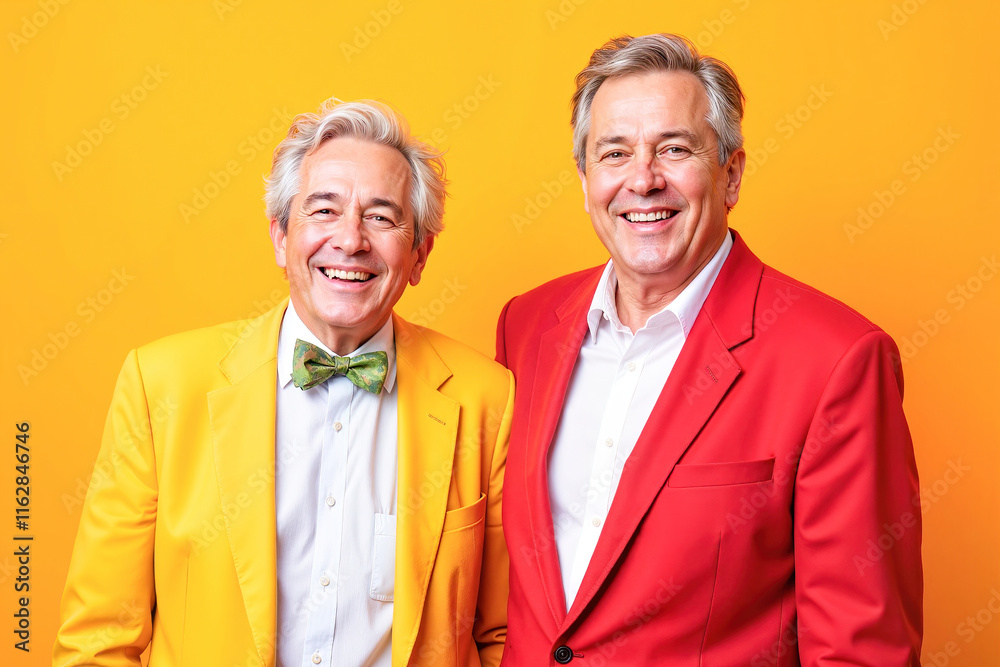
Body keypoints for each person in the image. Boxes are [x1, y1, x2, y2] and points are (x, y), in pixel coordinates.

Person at [496, 34, 921, 665]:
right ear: (585, 177)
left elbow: (864, 650)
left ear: (732, 174)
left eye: (675, 149)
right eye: (615, 153)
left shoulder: (838, 360)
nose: (643, 179)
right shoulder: (526, 325)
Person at [54, 98, 513, 666]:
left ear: (419, 254)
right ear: (279, 237)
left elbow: (502, 639)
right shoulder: (162, 385)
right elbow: (99, 641)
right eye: (323, 210)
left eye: (381, 216)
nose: (350, 240)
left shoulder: (487, 398)